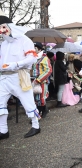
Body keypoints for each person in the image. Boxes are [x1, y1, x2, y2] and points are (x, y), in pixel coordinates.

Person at [0, 10, 41, 139]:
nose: (1, 31)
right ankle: (3, 131)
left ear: (9, 26)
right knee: (0, 104)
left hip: (19, 76)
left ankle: (36, 126)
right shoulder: (3, 44)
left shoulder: (24, 40)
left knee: (28, 102)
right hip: (3, 78)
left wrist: (16, 64)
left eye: (3, 27)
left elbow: (32, 58)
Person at [31, 42, 52, 118]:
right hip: (33, 81)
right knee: (36, 99)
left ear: (39, 49)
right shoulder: (34, 58)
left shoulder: (45, 58)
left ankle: (38, 114)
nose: (33, 49)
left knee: (40, 99)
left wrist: (39, 80)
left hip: (41, 82)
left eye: (35, 48)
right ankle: (44, 110)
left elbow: (48, 70)